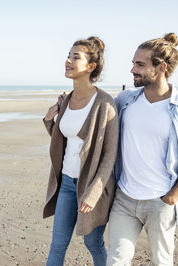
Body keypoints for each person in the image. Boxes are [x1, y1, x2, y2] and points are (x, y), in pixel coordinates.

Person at [107, 33, 178, 266]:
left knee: (161, 262)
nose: (133, 70)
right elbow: (99, 124)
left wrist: (171, 198)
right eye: (133, 63)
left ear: (161, 67)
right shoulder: (125, 101)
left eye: (140, 65)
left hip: (160, 203)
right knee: (115, 260)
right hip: (124, 198)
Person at [43, 36, 118, 266]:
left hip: (92, 185)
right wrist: (49, 121)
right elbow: (65, 141)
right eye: (68, 55)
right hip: (66, 183)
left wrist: (93, 193)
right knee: (57, 245)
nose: (68, 60)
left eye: (76, 57)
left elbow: (109, 155)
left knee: (93, 243)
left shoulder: (105, 103)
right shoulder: (66, 100)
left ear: (91, 66)